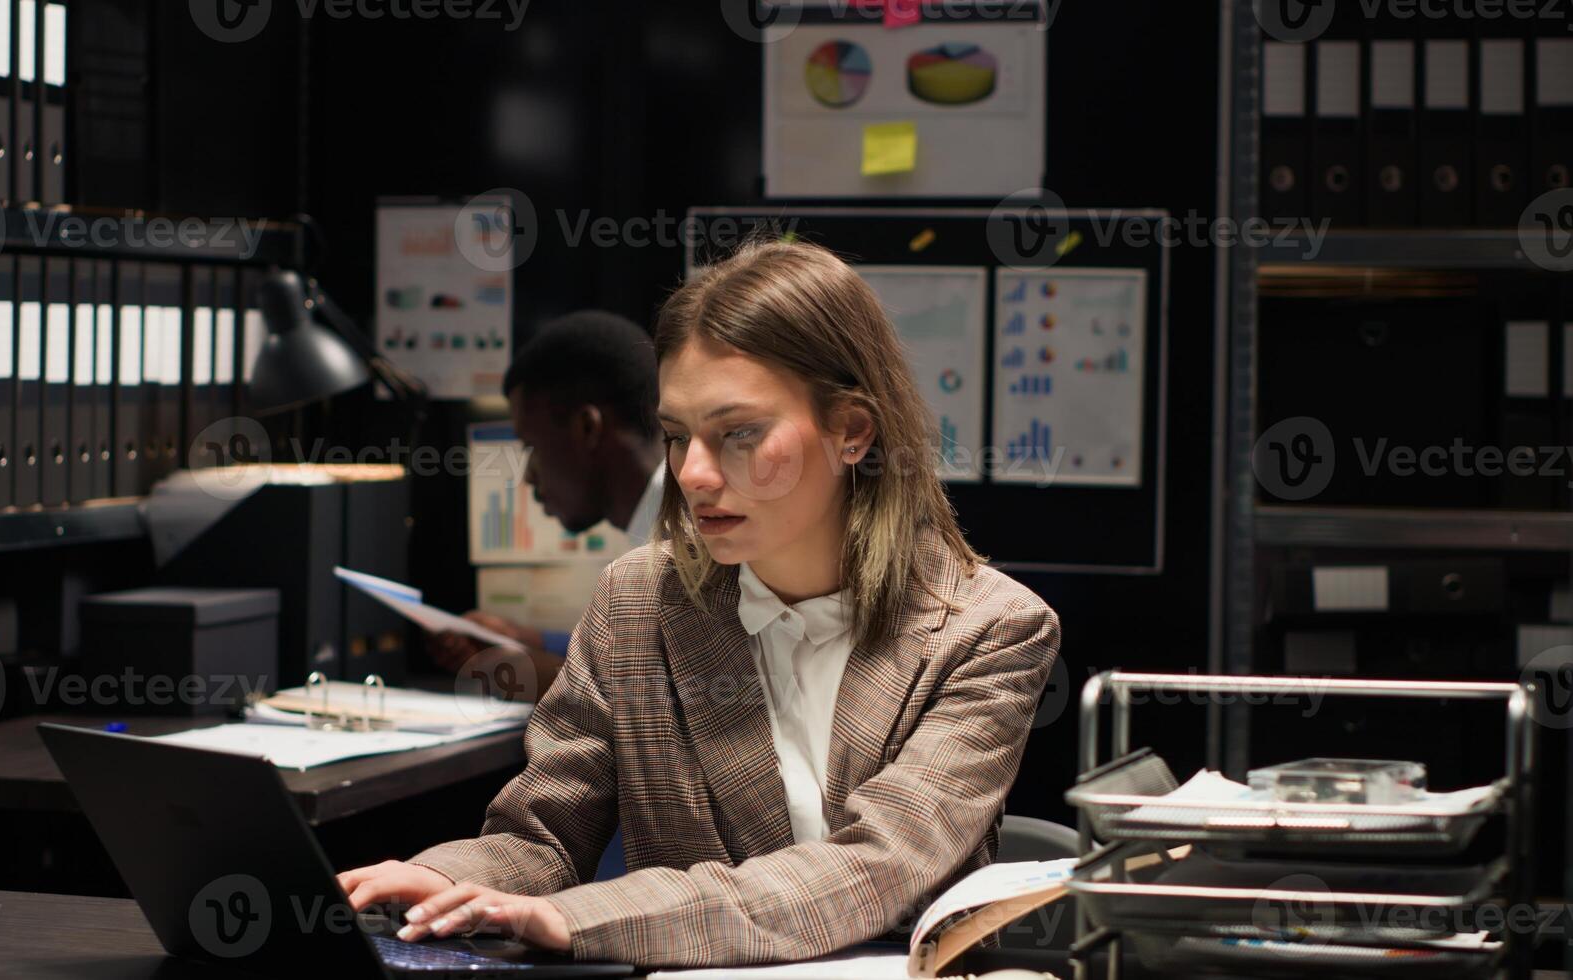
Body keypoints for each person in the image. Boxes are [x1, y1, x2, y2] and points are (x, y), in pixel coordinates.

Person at [341, 240, 1061, 967]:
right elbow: (544, 834)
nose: (692, 473)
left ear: (850, 430)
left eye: (738, 434)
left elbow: (873, 869)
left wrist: (572, 918)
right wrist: (441, 878)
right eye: (677, 436)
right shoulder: (636, 600)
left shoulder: (990, 628)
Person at [426, 310, 665, 701]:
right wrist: (531, 639)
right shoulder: (656, 531)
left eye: (530, 447)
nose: (529, 478)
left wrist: (541, 676)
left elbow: (674, 700)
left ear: (587, 428)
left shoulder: (691, 545)